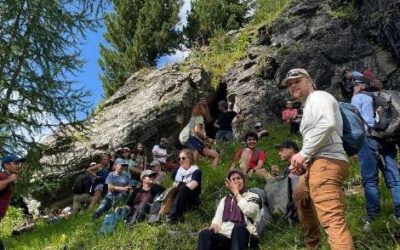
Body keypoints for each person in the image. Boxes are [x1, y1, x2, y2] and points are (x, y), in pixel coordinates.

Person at [282, 68, 354, 249]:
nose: (292, 86)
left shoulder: (318, 97)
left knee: (332, 221)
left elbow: (327, 123)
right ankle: (312, 245)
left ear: (309, 81)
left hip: (327, 163)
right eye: (289, 84)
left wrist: (304, 153)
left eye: (296, 81)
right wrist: (305, 160)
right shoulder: (308, 105)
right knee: (300, 195)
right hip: (317, 163)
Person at [351, 80, 400, 228]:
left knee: (370, 180)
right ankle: (399, 214)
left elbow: (355, 121)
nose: (353, 89)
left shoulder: (358, 97)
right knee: (395, 179)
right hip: (387, 138)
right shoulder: (384, 96)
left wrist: (353, 145)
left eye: (354, 86)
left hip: (368, 139)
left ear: (360, 86)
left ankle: (372, 218)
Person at [197, 169, 261, 250]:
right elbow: (218, 218)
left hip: (246, 235)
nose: (236, 181)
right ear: (229, 183)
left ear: (244, 181)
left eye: (239, 178)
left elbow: (250, 212)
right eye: (233, 179)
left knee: (238, 228)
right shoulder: (224, 200)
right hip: (226, 236)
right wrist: (215, 225)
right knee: (204, 234)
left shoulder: (253, 196)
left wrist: (236, 193)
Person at [167, 149, 202, 223]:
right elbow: (173, 184)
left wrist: (179, 185)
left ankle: (174, 217)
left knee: (183, 188)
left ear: (190, 159)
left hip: (191, 198)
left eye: (183, 158)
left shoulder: (196, 171)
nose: (180, 160)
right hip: (179, 197)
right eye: (179, 158)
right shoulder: (178, 171)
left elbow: (192, 186)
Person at [0, 154, 25, 249]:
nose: (18, 165)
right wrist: (9, 180)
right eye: (15, 163)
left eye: (19, 163)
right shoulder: (3, 175)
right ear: (6, 165)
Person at [186, 102, 219, 167]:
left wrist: (205, 142)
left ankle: (212, 173)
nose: (207, 109)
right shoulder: (199, 117)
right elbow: (197, 131)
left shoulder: (194, 118)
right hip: (194, 140)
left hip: (196, 141)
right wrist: (207, 139)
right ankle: (210, 172)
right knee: (196, 159)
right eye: (205, 108)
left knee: (215, 155)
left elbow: (196, 132)